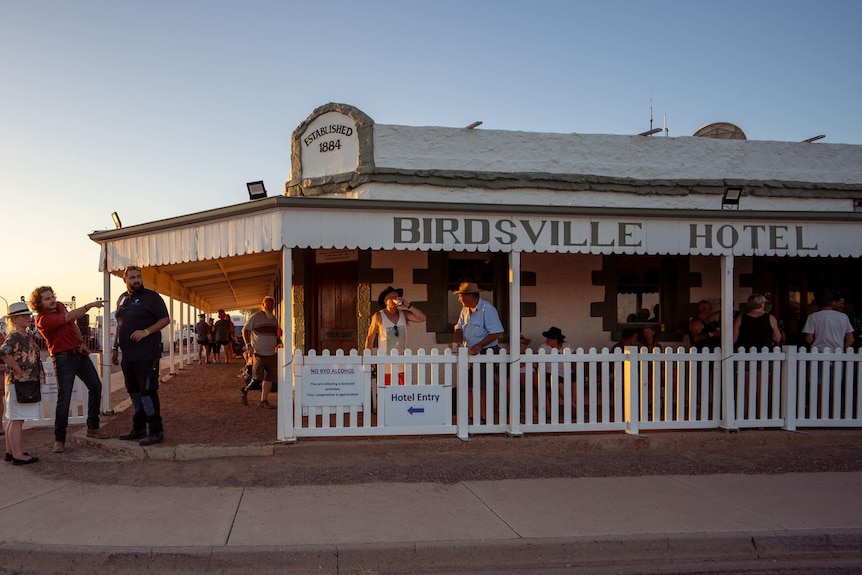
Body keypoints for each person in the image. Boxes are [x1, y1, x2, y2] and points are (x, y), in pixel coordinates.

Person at [31, 286, 109, 454]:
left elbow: (72, 325)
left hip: (78, 353)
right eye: (46, 299)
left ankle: (93, 428)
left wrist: (82, 343)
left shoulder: (59, 305)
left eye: (51, 297)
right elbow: (68, 317)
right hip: (62, 358)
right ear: (39, 303)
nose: (51, 300)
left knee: (96, 386)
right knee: (64, 398)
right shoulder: (42, 319)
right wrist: (89, 306)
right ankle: (59, 439)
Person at [111, 265, 171, 446]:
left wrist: (146, 331)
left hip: (147, 354)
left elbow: (165, 319)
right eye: (132, 277)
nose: (136, 280)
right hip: (128, 355)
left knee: (147, 391)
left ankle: (156, 431)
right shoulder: (122, 299)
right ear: (125, 279)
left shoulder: (152, 297)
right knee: (133, 391)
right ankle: (138, 429)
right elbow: (120, 324)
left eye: (138, 277)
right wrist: (115, 348)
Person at [452, 282, 505, 421]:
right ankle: (471, 414)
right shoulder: (465, 310)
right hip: (469, 352)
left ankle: (485, 415)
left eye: (461, 296)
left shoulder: (487, 309)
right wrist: (457, 342)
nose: (459, 299)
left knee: (483, 386)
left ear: (470, 296)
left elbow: (497, 332)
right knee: (468, 385)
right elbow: (458, 327)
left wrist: (480, 345)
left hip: (486, 351)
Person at [0, 302, 42, 465]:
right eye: (23, 316)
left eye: (28, 315)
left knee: (14, 418)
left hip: (22, 383)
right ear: (14, 319)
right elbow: (3, 351)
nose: (28, 317)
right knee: (17, 419)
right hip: (20, 383)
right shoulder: (16, 335)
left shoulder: (24, 334)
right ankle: (18, 455)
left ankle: (12, 452)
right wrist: (18, 369)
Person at [364, 286, 427, 385]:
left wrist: (408, 305)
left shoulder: (404, 314)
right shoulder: (378, 316)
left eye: (397, 296)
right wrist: (368, 358)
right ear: (386, 301)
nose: (395, 298)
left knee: (401, 394)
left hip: (402, 363)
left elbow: (422, 318)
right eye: (392, 296)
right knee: (386, 394)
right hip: (385, 365)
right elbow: (370, 338)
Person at [241, 296, 280, 409]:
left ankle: (263, 400)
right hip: (258, 352)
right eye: (267, 303)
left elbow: (275, 335)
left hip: (272, 353)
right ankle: (244, 390)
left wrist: (279, 342)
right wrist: (248, 344)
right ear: (262, 305)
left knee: (270, 377)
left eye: (271, 303)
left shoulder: (274, 319)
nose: (269, 305)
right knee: (257, 377)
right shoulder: (256, 317)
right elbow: (245, 330)